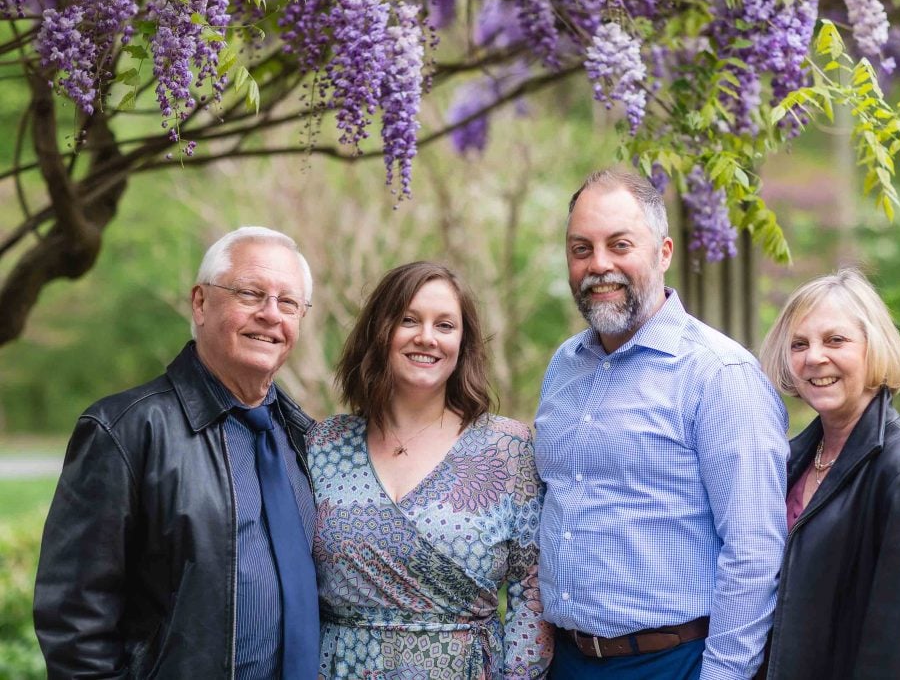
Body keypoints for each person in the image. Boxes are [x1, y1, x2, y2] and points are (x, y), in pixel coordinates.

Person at [534, 168, 789, 679]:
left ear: (664, 252)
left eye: (620, 244)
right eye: (581, 249)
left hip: (674, 662)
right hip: (566, 661)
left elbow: (754, 552)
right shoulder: (564, 366)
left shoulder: (719, 374)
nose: (599, 265)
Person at [34, 226, 320, 679]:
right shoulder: (126, 430)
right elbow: (74, 624)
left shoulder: (307, 440)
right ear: (201, 302)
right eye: (251, 293)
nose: (271, 314)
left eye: (288, 303)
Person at [307, 261, 552, 679]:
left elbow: (534, 590)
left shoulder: (507, 448)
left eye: (445, 325)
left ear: (463, 342)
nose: (426, 337)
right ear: (379, 332)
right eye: (408, 320)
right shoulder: (323, 444)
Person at [758, 268, 900, 679]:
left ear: (874, 348)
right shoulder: (792, 459)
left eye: (835, 340)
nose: (814, 357)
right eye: (799, 344)